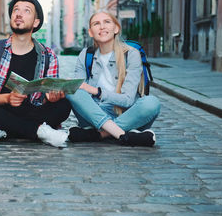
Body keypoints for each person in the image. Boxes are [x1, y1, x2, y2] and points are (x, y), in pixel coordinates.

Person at [0, 0, 71, 147]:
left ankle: (2, 130)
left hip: (32, 110)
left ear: (36, 22)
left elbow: (45, 97)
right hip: (0, 109)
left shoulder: (49, 56)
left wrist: (52, 97)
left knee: (64, 106)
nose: (19, 14)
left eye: (26, 11)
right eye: (16, 10)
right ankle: (40, 132)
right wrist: (7, 98)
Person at [66, 11, 161, 146]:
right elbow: (79, 89)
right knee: (72, 90)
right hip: (94, 114)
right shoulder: (85, 55)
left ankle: (100, 134)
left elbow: (128, 100)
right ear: (91, 32)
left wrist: (96, 91)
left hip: (126, 114)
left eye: (107, 22)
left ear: (116, 28)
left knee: (152, 103)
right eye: (96, 23)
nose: (102, 27)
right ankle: (125, 135)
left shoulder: (131, 54)